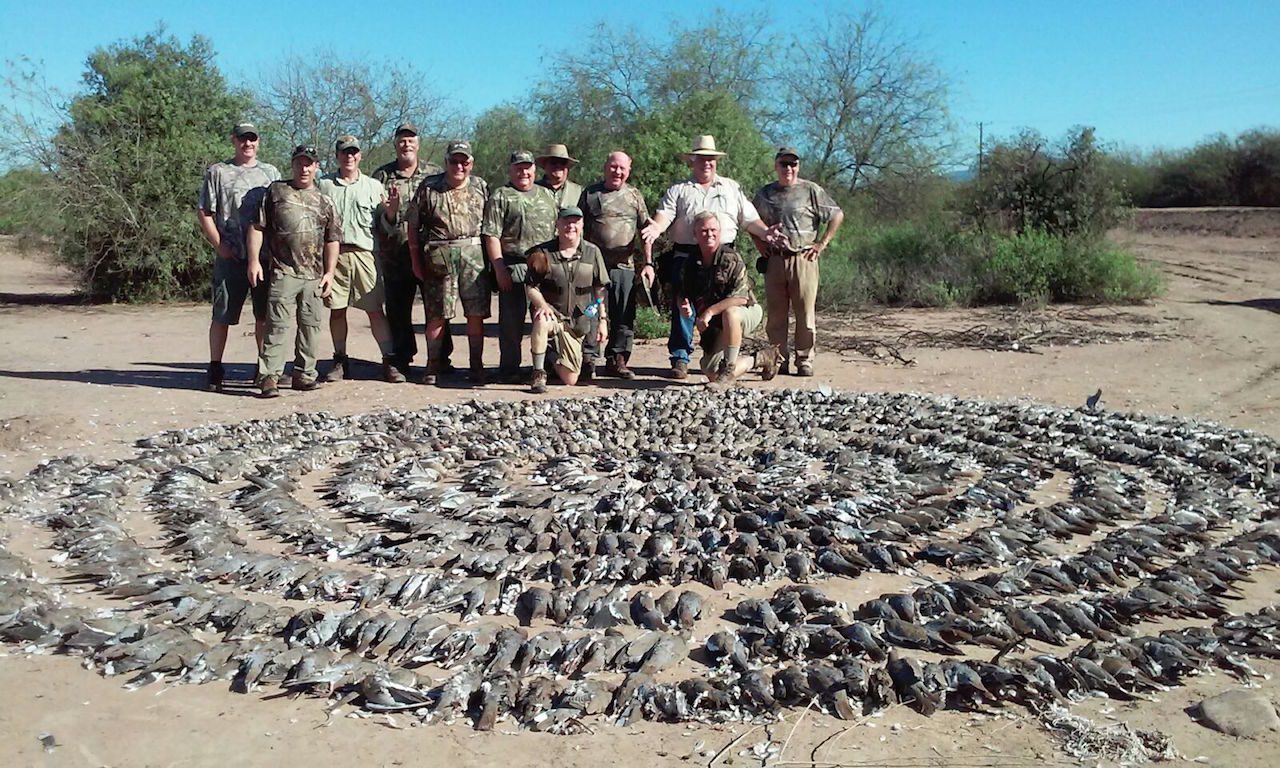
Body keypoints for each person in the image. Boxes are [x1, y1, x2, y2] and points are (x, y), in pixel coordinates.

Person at [640, 134, 780, 379]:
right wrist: (656, 228)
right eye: (702, 159)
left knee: (725, 309)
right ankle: (680, 358)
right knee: (683, 306)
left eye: (711, 159)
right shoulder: (680, 190)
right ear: (692, 161)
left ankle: (731, 357)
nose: (707, 163)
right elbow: (665, 215)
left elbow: (749, 219)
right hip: (685, 255)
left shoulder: (731, 188)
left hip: (724, 258)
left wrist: (766, 233)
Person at [246, 145, 341, 397]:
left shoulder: (325, 200)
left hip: (314, 275)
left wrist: (330, 272)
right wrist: (253, 261)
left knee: (310, 326)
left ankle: (305, 374)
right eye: (299, 162)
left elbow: (333, 239)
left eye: (309, 163)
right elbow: (257, 227)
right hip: (283, 271)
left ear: (317, 167)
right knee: (276, 325)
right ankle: (269, 377)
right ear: (293, 164)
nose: (304, 167)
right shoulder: (276, 191)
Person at [197, 122, 280, 392]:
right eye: (243, 139)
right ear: (234, 140)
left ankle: (264, 369)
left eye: (252, 139)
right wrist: (219, 245)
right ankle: (215, 367)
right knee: (222, 315)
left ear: (259, 141)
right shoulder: (218, 172)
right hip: (231, 255)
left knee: (264, 316)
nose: (248, 144)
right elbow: (205, 211)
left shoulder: (271, 173)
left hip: (264, 256)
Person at [751, 147, 844, 377]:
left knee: (805, 315)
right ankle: (778, 359)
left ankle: (804, 360)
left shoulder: (811, 190)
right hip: (774, 261)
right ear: (776, 166)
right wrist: (761, 246)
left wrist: (822, 243)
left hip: (804, 259)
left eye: (793, 164)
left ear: (798, 167)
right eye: (784, 164)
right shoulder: (765, 194)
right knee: (776, 316)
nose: (788, 169)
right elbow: (750, 220)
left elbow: (837, 215)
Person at [316, 135, 400, 383]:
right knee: (337, 309)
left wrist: (392, 211)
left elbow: (386, 225)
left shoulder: (374, 186)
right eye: (344, 152)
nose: (349, 156)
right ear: (337, 156)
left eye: (353, 152)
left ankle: (389, 360)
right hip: (335, 255)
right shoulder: (324, 185)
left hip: (365, 254)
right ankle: (340, 360)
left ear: (360, 155)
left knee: (375, 310)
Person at [406, 140, 491, 384]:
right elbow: (412, 225)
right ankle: (432, 366)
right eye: (454, 161)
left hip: (473, 254)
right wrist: (415, 259)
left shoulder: (481, 187)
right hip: (439, 253)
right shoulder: (429, 186)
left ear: (471, 163)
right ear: (446, 162)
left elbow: (491, 226)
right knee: (437, 314)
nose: (459, 166)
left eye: (464, 161)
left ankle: (476, 366)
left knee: (475, 314)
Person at [372, 122, 443, 380]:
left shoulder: (434, 174)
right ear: (395, 144)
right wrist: (389, 213)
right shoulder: (382, 176)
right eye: (402, 140)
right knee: (398, 309)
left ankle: (439, 358)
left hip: (429, 254)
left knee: (436, 307)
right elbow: (376, 215)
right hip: (395, 255)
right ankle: (400, 359)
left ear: (418, 143)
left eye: (411, 139)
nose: (406, 144)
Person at [481, 150, 558, 383]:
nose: (523, 172)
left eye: (528, 167)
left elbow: (557, 230)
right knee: (511, 324)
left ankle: (543, 367)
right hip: (513, 266)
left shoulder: (547, 195)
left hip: (544, 266)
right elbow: (491, 235)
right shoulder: (501, 196)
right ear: (510, 170)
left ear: (535, 169)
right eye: (518, 167)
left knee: (544, 318)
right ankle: (509, 369)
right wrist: (499, 268)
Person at [580, 151, 653, 379]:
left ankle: (618, 360)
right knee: (591, 313)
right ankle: (588, 360)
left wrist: (648, 262)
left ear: (629, 170)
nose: (617, 172)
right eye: (613, 166)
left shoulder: (634, 195)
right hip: (594, 266)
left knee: (623, 315)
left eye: (622, 168)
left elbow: (646, 230)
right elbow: (577, 226)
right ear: (605, 167)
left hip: (624, 266)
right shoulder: (591, 194)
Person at [678, 211, 773, 388]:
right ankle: (760, 358)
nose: (709, 234)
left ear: (720, 232)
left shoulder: (730, 258)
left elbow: (740, 298)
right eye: (704, 231)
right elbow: (683, 293)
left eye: (713, 230)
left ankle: (729, 370)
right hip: (716, 322)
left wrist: (709, 312)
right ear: (695, 234)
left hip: (746, 311)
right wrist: (683, 305)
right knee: (711, 371)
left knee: (730, 313)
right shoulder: (691, 261)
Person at [524, 206, 609, 394]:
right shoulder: (542, 253)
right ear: (558, 224)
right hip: (553, 314)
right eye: (566, 222)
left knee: (570, 379)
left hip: (578, 322)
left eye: (575, 222)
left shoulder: (592, 252)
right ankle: (538, 372)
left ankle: (550, 355)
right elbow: (531, 287)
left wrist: (602, 320)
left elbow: (599, 289)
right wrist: (542, 305)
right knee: (541, 319)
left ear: (582, 224)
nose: (571, 226)